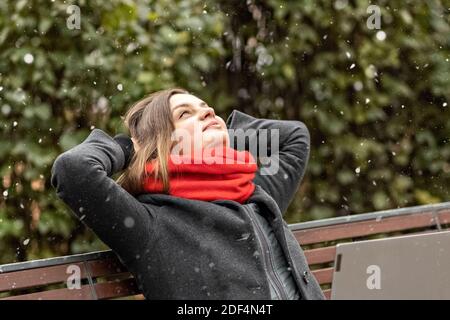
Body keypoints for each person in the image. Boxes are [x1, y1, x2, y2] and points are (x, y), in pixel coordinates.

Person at [50, 88, 325, 300]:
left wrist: (218, 133)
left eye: (206, 108)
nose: (209, 112)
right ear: (161, 143)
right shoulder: (148, 222)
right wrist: (128, 148)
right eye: (184, 114)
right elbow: (73, 171)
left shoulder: (252, 192)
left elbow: (295, 138)